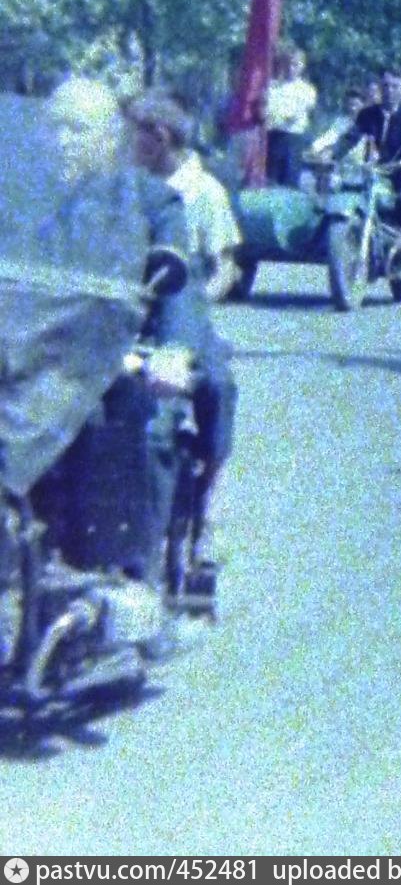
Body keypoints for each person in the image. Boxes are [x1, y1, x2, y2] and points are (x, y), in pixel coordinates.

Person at [31, 78, 233, 585]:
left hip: (126, 349)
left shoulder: (153, 201)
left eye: (77, 130)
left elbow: (177, 289)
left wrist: (172, 351)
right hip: (45, 351)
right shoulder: (21, 199)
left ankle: (131, 576)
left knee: (146, 426)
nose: (62, 141)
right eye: (54, 128)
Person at [128, 91, 244, 303]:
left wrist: (195, 307)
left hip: (175, 315)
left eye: (134, 136)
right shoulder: (130, 186)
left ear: (161, 137)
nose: (128, 146)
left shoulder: (205, 191)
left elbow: (225, 269)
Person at [335, 71, 401, 249]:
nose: (389, 91)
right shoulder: (367, 114)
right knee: (350, 191)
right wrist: (332, 154)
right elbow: (351, 137)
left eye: (395, 86)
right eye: (385, 86)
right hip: (376, 169)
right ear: (380, 88)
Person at [264, 47, 317, 188]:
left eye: (295, 64)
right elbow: (268, 112)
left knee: (290, 182)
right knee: (271, 180)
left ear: (302, 66)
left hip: (294, 140)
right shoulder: (272, 87)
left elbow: (296, 115)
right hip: (273, 138)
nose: (290, 68)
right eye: (288, 64)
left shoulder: (307, 90)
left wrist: (279, 118)